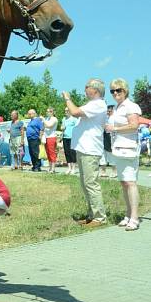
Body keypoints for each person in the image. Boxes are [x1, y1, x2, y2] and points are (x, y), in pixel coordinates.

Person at [63, 78, 107, 227]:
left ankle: (99, 217)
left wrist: (67, 98)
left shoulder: (98, 104)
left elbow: (74, 112)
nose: (85, 89)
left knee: (90, 183)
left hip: (90, 149)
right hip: (84, 148)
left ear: (95, 90)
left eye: (86, 86)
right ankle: (91, 214)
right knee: (85, 183)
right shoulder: (92, 104)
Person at [105, 79, 142, 231]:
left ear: (125, 90)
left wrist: (114, 129)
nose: (115, 93)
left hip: (129, 148)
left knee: (131, 182)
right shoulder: (118, 107)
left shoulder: (131, 106)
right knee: (124, 182)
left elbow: (134, 125)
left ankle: (134, 217)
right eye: (112, 91)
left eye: (118, 90)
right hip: (119, 148)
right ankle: (128, 214)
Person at [61, 106, 78, 174]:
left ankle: (73, 168)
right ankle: (69, 167)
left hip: (72, 137)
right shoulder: (64, 119)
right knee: (67, 152)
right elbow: (62, 127)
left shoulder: (74, 119)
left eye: (67, 110)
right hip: (65, 137)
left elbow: (77, 128)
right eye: (65, 111)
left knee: (72, 152)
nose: (66, 112)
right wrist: (62, 127)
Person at [99, 105, 115, 177]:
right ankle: (103, 171)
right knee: (103, 154)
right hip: (104, 136)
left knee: (111, 154)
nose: (108, 112)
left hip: (111, 136)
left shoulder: (115, 118)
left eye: (110, 111)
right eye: (107, 111)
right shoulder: (106, 117)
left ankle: (114, 171)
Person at [43, 107, 58, 173]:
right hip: (46, 137)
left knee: (52, 152)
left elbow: (49, 126)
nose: (47, 113)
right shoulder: (47, 119)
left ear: (52, 112)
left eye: (48, 111)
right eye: (47, 111)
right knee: (48, 152)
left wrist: (43, 119)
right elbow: (44, 126)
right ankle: (50, 167)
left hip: (51, 137)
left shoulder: (54, 119)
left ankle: (53, 168)